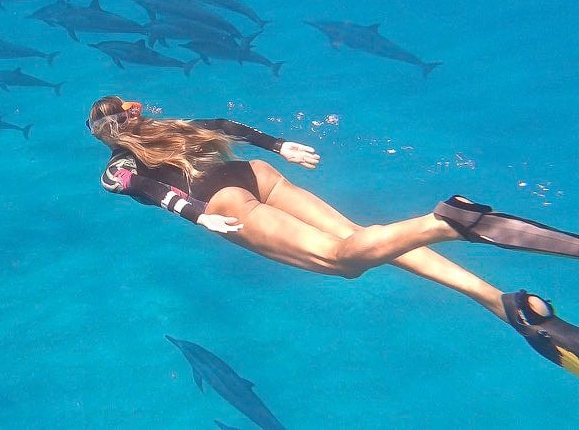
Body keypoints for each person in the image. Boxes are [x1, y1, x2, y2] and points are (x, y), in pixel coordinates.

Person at [86, 95, 579, 377]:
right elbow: (221, 124)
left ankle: (447, 222)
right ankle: (503, 303)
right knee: (364, 237)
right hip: (255, 174)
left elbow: (143, 187)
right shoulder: (171, 127)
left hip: (226, 205)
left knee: (344, 260)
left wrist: (196, 215)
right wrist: (279, 145)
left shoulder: (117, 165)